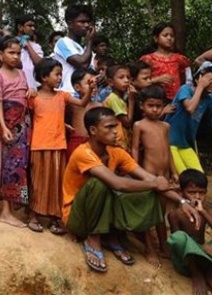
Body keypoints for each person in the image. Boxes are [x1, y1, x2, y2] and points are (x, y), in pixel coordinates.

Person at [62, 107, 201, 273]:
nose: (116, 132)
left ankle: (112, 236)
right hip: (77, 218)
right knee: (99, 183)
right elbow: (118, 184)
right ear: (93, 130)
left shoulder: (117, 153)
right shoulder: (83, 153)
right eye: (109, 127)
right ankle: (93, 238)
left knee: (148, 191)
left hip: (103, 215)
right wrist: (155, 184)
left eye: (116, 126)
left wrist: (182, 201)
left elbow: (150, 179)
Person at [28, 58, 91, 235]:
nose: (60, 77)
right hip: (38, 145)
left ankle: (55, 217)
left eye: (60, 74)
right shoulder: (33, 97)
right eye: (56, 74)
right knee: (37, 180)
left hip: (58, 144)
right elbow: (28, 120)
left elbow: (82, 103)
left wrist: (91, 89)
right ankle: (33, 214)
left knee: (57, 182)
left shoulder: (62, 95)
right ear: (43, 77)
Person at [131, 84, 176, 266]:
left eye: (159, 105)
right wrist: (135, 171)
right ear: (142, 105)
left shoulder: (165, 125)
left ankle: (164, 246)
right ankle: (150, 248)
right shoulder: (139, 125)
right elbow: (135, 147)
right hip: (148, 173)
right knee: (149, 212)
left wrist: (174, 172)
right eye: (151, 105)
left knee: (160, 213)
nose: (156, 109)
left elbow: (168, 150)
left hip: (164, 173)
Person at [0, 37, 34, 228]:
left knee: (22, 166)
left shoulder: (22, 73)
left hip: (24, 124)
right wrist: (3, 126)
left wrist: (31, 93)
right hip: (8, 123)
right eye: (11, 52)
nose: (15, 56)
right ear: (1, 54)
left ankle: (21, 202)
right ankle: (5, 211)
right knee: (9, 167)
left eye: (18, 53)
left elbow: (27, 95)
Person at [141, 23, 191, 101]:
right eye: (165, 35)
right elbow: (139, 81)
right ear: (156, 38)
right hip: (154, 101)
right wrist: (157, 80)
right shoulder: (148, 59)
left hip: (177, 100)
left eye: (172, 35)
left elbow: (185, 80)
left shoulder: (180, 59)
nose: (169, 38)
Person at [54, 4, 95, 93]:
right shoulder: (63, 42)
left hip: (85, 94)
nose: (87, 25)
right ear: (70, 24)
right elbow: (82, 64)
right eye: (82, 22)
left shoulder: (84, 48)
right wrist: (90, 41)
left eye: (88, 22)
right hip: (70, 93)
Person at [68, 68, 101, 159]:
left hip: (94, 145)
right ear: (77, 87)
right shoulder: (72, 105)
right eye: (89, 83)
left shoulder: (100, 106)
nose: (93, 86)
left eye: (95, 83)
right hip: (76, 144)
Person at [103, 64, 136, 151]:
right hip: (117, 143)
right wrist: (131, 100)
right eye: (121, 78)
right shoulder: (113, 99)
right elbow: (127, 122)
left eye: (128, 77)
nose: (126, 80)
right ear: (110, 82)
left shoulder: (120, 98)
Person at [15, 15, 43, 89]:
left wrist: (28, 46)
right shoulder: (10, 43)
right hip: (15, 87)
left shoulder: (36, 46)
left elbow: (40, 64)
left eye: (34, 26)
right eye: (30, 25)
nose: (33, 28)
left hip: (33, 87)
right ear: (20, 27)